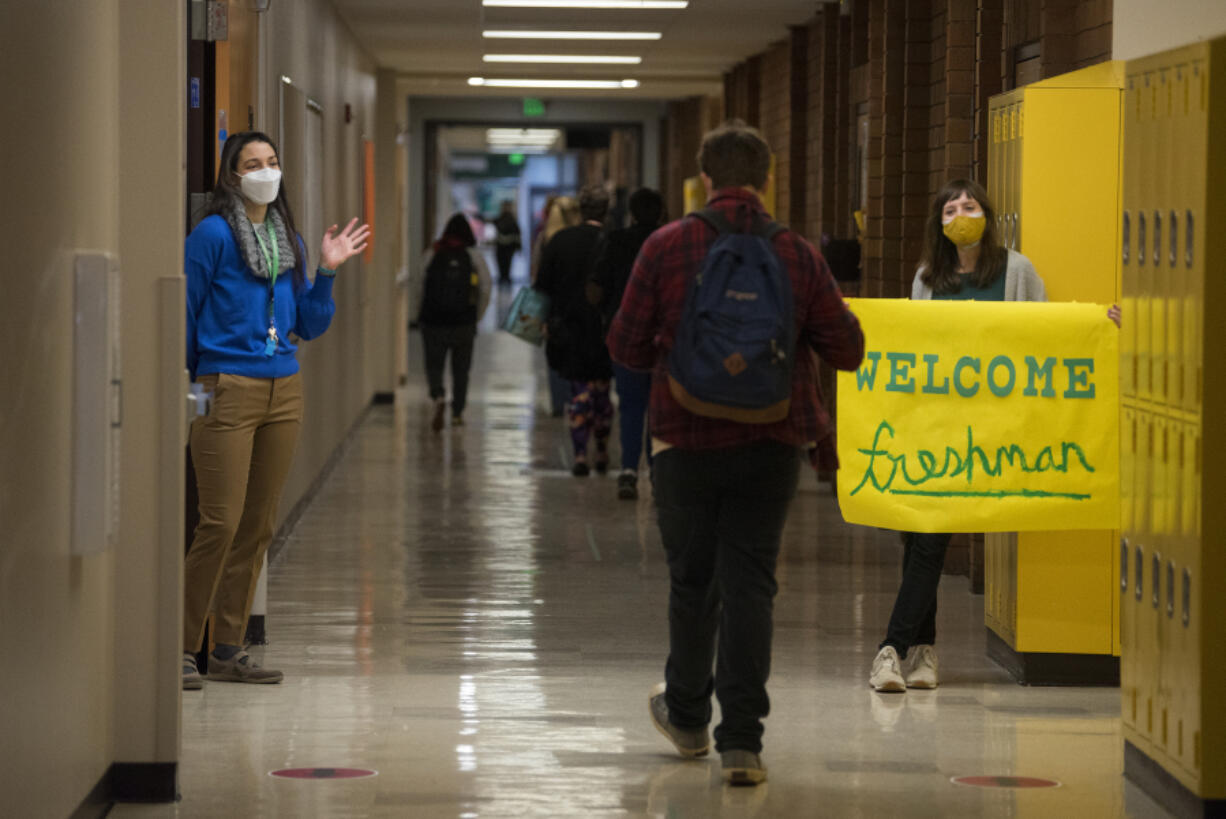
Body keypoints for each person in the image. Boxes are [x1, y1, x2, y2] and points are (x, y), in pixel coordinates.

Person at [607, 121, 864, 785]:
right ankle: (743, 742)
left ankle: (688, 716)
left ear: (704, 177)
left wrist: (678, 355)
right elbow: (849, 348)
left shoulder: (667, 245)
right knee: (752, 584)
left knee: (693, 581)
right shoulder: (798, 254)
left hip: (682, 438)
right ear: (767, 178)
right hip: (772, 439)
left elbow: (625, 345)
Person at [183, 131, 369, 689]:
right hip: (228, 387)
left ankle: (228, 649)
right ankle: (180, 648)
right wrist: (198, 384)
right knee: (219, 521)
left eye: (272, 161)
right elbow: (187, 316)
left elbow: (308, 324)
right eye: (252, 163)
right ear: (232, 175)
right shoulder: (211, 235)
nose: (265, 170)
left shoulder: (289, 240)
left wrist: (329, 271)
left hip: (283, 389)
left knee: (258, 525)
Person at [868, 178, 1045, 694]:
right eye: (950, 210)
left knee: (926, 539)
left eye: (969, 206)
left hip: (991, 427)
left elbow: (1046, 332)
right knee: (926, 535)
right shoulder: (930, 276)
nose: (961, 215)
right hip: (936, 426)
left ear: (987, 214)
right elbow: (912, 342)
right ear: (938, 224)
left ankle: (898, 650)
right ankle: (912, 652)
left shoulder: (1016, 270)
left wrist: (1099, 322)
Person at [588, 187, 665, 500]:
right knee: (660, 407)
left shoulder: (616, 241)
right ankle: (658, 471)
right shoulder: (668, 241)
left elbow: (596, 287)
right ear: (661, 212)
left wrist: (606, 315)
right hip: (664, 339)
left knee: (631, 405)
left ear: (631, 212)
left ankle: (629, 471)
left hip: (626, 336)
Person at [536, 185, 615, 476]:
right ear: (606, 213)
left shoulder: (560, 241)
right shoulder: (612, 241)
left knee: (579, 391)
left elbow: (542, 285)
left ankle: (580, 454)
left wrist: (538, 324)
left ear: (581, 210)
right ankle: (603, 448)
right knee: (603, 391)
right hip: (605, 331)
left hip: (569, 329)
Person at [415, 213, 493, 430]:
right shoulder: (473, 256)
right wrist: (476, 316)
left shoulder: (433, 253)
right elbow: (486, 288)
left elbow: (420, 286)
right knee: (461, 370)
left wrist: (420, 313)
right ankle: (458, 412)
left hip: (433, 322)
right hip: (464, 323)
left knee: (434, 365)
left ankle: (438, 395)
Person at [532, 196, 579, 417]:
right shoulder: (582, 239)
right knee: (575, 352)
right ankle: (574, 397)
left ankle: (559, 403)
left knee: (554, 354)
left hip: (553, 307)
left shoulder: (546, 240)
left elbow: (538, 276)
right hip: (577, 306)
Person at [493, 199, 521, 286]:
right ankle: (503, 280)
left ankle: (505, 280)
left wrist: (518, 246)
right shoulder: (500, 219)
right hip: (502, 247)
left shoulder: (512, 220)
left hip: (508, 248)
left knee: (507, 265)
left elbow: (517, 235)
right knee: (502, 266)